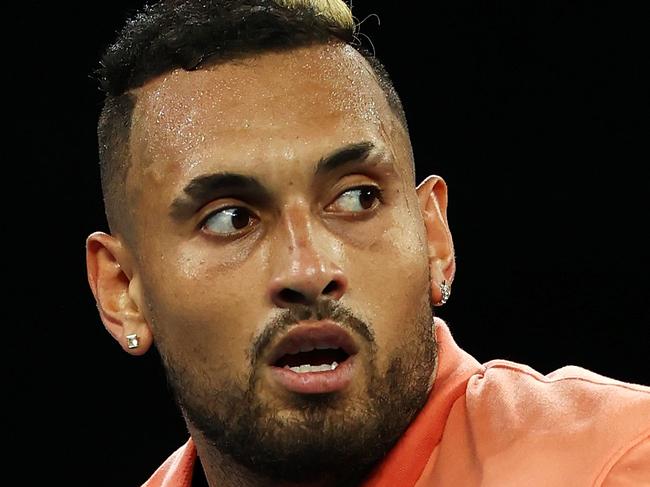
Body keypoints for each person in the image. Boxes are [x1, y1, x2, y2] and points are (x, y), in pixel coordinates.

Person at [85, 0, 650, 485]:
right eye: (230, 218)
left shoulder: (618, 461)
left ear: (433, 235)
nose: (309, 270)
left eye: (357, 198)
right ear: (121, 290)